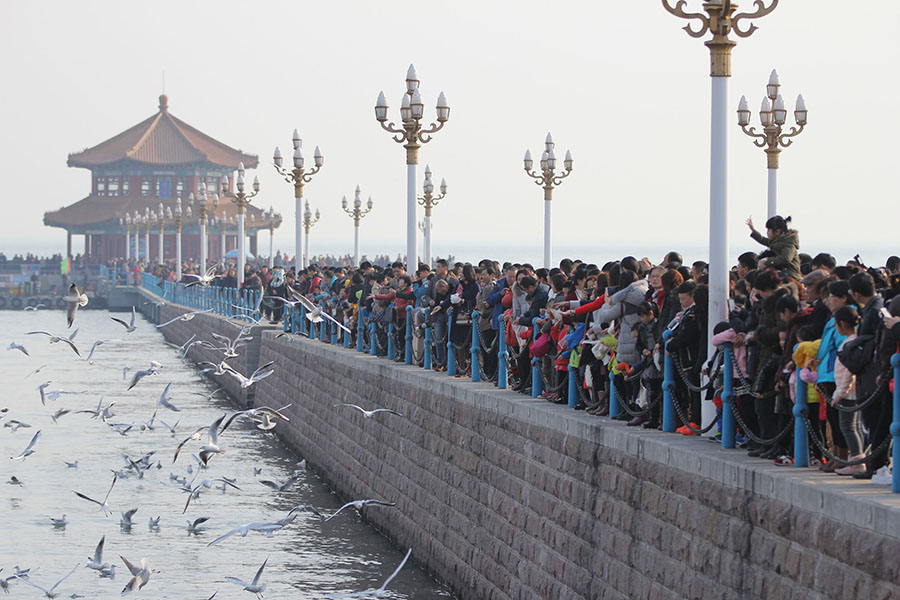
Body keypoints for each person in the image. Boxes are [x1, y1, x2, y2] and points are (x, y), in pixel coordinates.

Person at [746, 215, 801, 280]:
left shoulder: (789, 242)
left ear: (777, 231)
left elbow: (786, 259)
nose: (767, 232)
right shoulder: (778, 240)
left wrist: (767, 261)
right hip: (783, 272)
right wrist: (753, 230)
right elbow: (764, 240)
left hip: (790, 274)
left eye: (769, 230)